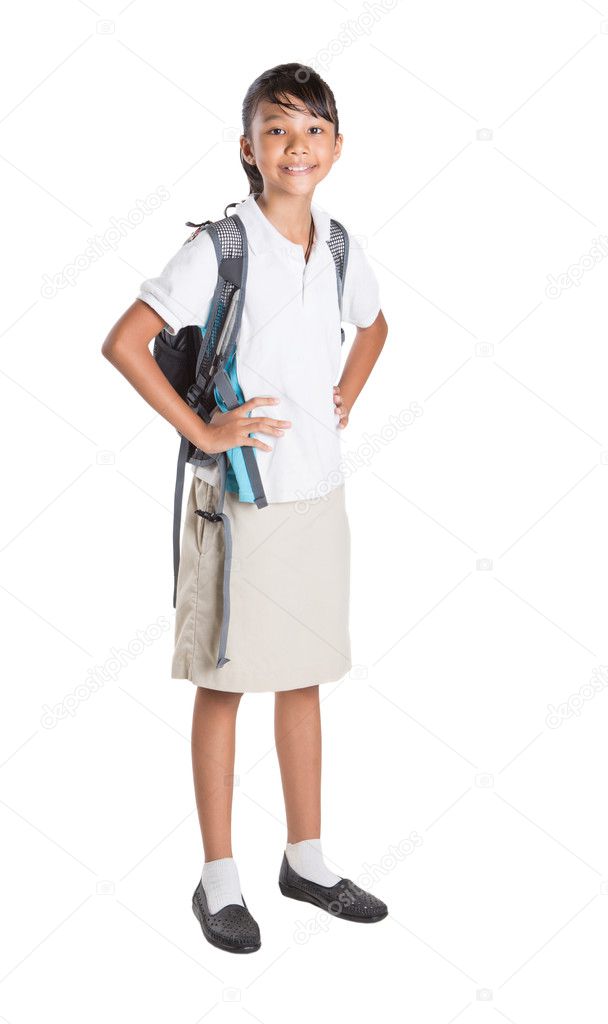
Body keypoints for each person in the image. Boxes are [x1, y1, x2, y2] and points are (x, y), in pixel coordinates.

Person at [101, 63, 389, 954]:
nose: (295, 146)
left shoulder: (338, 243)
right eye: (276, 129)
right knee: (225, 682)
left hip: (317, 493)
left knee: (302, 674)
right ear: (247, 149)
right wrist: (206, 430)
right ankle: (217, 877)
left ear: (337, 149)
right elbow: (124, 341)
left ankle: (305, 858)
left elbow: (373, 325)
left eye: (312, 130)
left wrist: (343, 396)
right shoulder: (221, 247)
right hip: (237, 502)